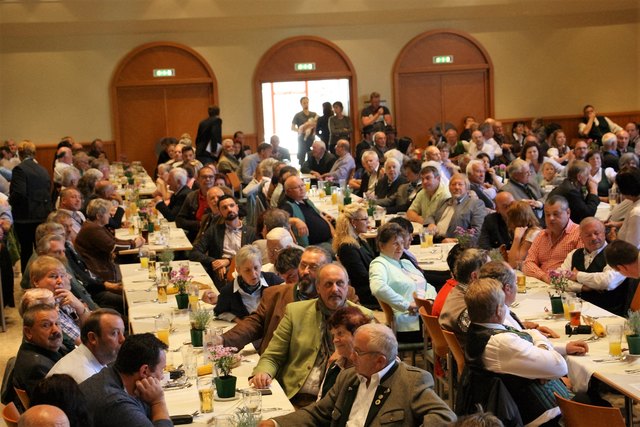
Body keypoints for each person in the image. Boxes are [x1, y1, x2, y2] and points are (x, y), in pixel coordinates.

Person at [259, 323, 456, 427]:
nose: (351, 356)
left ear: (380, 361)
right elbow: (318, 413)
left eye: (358, 352)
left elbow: (446, 416)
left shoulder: (411, 381)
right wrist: (276, 423)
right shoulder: (348, 377)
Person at [464, 278, 587, 426]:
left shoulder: (479, 330)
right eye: (504, 305)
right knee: (592, 399)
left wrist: (558, 350)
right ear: (498, 310)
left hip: (521, 405)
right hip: (541, 417)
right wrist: (539, 339)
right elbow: (560, 367)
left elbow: (526, 337)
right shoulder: (500, 342)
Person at [250, 263, 373, 406]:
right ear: (318, 288)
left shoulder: (363, 318)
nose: (335, 289)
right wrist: (264, 373)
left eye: (340, 283)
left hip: (336, 401)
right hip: (293, 397)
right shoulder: (295, 312)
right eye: (328, 284)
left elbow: (371, 366)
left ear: (347, 286)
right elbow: (273, 356)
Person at [211, 246, 334, 353]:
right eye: (303, 265)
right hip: (275, 360)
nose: (305, 271)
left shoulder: (334, 301)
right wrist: (224, 340)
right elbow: (254, 323)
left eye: (313, 267)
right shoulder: (275, 294)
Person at [79, 333, 171, 427]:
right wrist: (158, 402)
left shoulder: (113, 372)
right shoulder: (117, 404)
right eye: (162, 370)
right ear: (144, 371)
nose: (162, 377)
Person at [370, 223, 437, 342]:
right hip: (409, 323)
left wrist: (430, 300)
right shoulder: (379, 264)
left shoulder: (406, 262)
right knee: (451, 325)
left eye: (402, 243)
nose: (400, 248)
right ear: (381, 245)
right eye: (395, 244)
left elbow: (427, 285)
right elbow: (378, 288)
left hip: (425, 316)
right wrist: (406, 305)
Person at [558, 217, 628, 315]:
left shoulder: (617, 254)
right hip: (576, 311)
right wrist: (582, 287)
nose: (594, 238)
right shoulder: (574, 254)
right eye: (588, 235)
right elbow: (556, 279)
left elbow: (607, 281)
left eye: (597, 233)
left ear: (604, 233)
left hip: (607, 314)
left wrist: (577, 275)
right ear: (581, 237)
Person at [190, 195, 256, 289]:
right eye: (224, 208)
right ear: (220, 212)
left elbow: (254, 256)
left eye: (231, 205)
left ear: (237, 207)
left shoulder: (251, 232)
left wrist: (229, 261)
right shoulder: (214, 231)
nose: (229, 209)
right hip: (219, 271)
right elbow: (194, 253)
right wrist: (213, 262)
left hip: (243, 269)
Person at [75, 199, 144, 282]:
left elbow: (114, 240)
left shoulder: (94, 225)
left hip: (105, 267)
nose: (110, 216)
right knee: (138, 268)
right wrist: (134, 244)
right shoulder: (92, 229)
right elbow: (113, 246)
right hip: (101, 274)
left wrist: (133, 241)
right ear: (98, 216)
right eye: (107, 213)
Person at [47, 309, 125, 383]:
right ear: (93, 338)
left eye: (122, 332)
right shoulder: (84, 377)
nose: (122, 339)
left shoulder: (95, 359)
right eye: (114, 333)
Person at [9, 141, 53, 273]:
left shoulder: (19, 169)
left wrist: (9, 201)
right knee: (42, 251)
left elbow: (19, 193)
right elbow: (48, 189)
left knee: (26, 251)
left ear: (19, 153)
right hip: (43, 215)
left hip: (25, 217)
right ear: (34, 153)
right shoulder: (42, 169)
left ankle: (28, 280)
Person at [11, 304, 63, 411]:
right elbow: (56, 408)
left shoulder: (44, 347)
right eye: (46, 325)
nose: (56, 330)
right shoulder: (38, 367)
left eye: (57, 323)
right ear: (28, 332)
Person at [213, 245, 284, 321]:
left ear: (261, 264)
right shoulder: (228, 291)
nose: (253, 274)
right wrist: (236, 319)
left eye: (256, 268)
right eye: (247, 270)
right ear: (238, 270)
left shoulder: (272, 280)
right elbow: (219, 312)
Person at [523, 195, 582, 283]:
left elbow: (578, 269)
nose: (551, 218)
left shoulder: (580, 234)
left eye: (556, 214)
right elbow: (528, 263)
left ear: (568, 212)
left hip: (564, 285)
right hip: (541, 282)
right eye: (547, 214)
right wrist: (543, 276)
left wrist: (553, 279)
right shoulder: (541, 235)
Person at [317, 306, 371, 399]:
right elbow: (320, 400)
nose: (335, 340)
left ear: (358, 334)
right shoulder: (334, 365)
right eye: (333, 335)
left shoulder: (372, 368)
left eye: (340, 333)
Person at [438, 248, 490, 343]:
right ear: (474, 276)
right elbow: (487, 337)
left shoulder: (458, 292)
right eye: (489, 270)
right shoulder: (465, 308)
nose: (493, 275)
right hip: (472, 351)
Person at [333, 206, 377, 307]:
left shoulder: (359, 239)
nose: (368, 222)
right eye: (365, 219)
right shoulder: (347, 248)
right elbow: (362, 277)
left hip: (373, 282)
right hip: (366, 291)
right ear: (353, 222)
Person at [425, 174, 486, 244]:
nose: (456, 187)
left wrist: (456, 240)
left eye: (460, 184)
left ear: (466, 188)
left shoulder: (475, 204)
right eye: (453, 184)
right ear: (449, 188)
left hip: (453, 244)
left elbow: (477, 231)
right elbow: (430, 216)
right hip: (433, 239)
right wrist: (431, 224)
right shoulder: (444, 202)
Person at [281, 175, 333, 248]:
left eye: (302, 185)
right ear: (288, 191)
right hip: (315, 246)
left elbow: (322, 217)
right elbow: (280, 221)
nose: (301, 189)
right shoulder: (287, 205)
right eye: (297, 187)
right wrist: (295, 220)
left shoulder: (306, 201)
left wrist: (334, 235)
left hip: (330, 239)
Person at [176, 166, 217, 241]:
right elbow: (179, 221)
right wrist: (200, 224)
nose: (208, 179)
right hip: (195, 236)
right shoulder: (192, 196)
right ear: (197, 179)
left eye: (211, 177)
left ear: (214, 179)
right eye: (204, 177)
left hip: (215, 237)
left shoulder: (222, 195)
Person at [503, 200, 542, 269]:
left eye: (510, 219)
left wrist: (516, 239)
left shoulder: (533, 233)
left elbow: (514, 263)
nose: (509, 223)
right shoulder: (525, 232)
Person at [613, 167, 640, 247]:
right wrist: (617, 224)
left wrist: (613, 239)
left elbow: (630, 248)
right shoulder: (634, 200)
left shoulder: (636, 212)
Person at [292, 96, 318, 166]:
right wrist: (300, 131)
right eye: (304, 103)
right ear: (301, 104)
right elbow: (292, 127)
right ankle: (302, 167)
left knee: (312, 154)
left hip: (311, 138)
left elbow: (316, 126)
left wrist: (314, 133)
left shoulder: (313, 114)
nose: (306, 104)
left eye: (307, 102)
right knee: (302, 154)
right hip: (301, 138)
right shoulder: (298, 115)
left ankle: (312, 167)